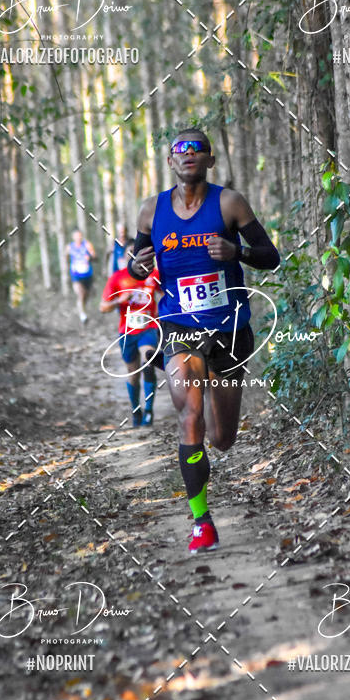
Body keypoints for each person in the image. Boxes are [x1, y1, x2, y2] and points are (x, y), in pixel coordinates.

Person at [127, 129, 280, 554]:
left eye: (197, 149)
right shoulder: (151, 211)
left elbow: (270, 255)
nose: (188, 154)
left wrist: (238, 253)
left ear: (209, 161)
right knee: (188, 413)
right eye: (180, 149)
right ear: (170, 162)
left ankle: (207, 437)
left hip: (229, 329)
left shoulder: (228, 203)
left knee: (222, 438)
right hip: (178, 326)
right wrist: (137, 268)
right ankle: (202, 521)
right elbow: (138, 267)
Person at [100, 240, 162, 427]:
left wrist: (162, 310)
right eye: (130, 252)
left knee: (148, 363)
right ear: (125, 256)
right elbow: (103, 307)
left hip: (149, 328)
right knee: (133, 374)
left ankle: (149, 411)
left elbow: (169, 292)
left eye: (137, 251)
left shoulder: (154, 275)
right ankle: (136, 410)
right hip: (127, 331)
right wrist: (120, 300)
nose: (133, 255)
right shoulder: (118, 278)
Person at [66, 228, 96, 324]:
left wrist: (90, 257)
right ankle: (83, 315)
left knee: (86, 295)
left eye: (80, 235)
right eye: (76, 236)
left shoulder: (87, 245)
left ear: (81, 236)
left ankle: (82, 309)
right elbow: (65, 257)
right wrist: (70, 266)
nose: (78, 237)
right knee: (80, 293)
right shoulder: (69, 247)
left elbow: (95, 256)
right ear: (73, 237)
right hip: (76, 274)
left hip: (87, 274)